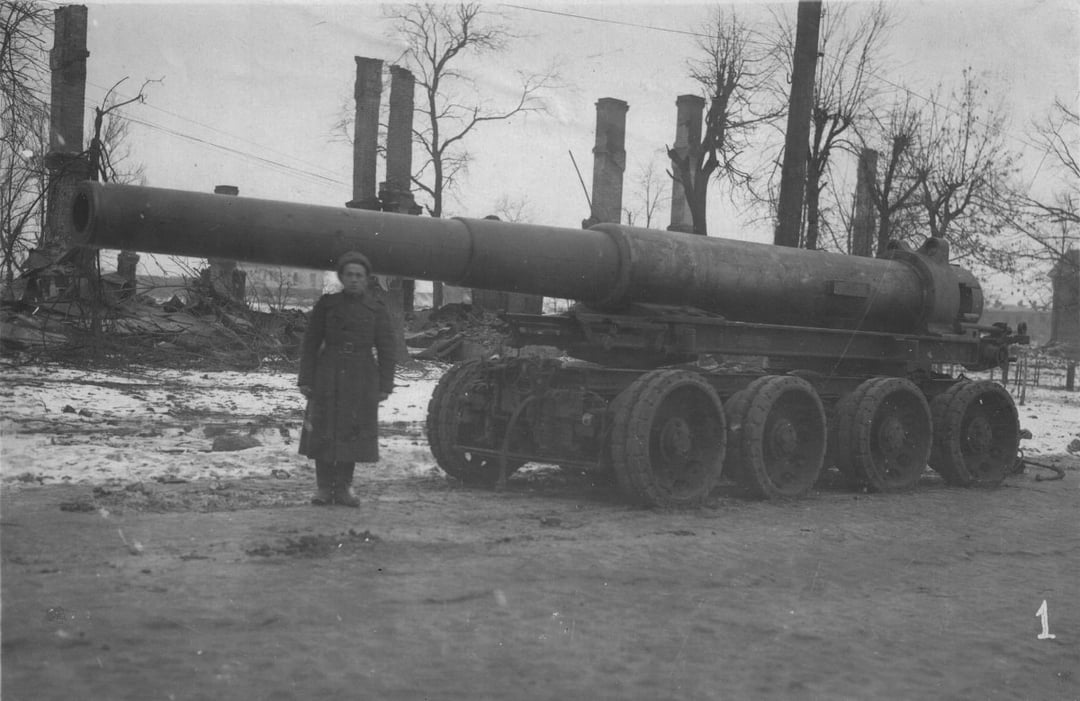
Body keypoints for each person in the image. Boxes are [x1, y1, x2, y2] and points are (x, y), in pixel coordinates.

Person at [298, 251, 395, 506]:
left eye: (359, 275)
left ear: (367, 279)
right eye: (349, 275)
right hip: (328, 372)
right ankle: (323, 488)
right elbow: (311, 343)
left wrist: (385, 385)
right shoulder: (327, 305)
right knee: (324, 429)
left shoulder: (376, 309)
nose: (354, 280)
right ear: (341, 277)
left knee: (352, 431)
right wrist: (306, 379)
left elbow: (387, 348)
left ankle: (343, 488)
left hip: (361, 376)